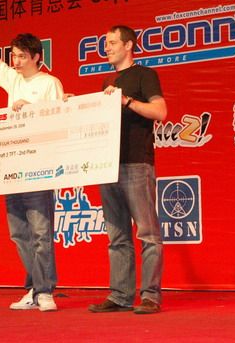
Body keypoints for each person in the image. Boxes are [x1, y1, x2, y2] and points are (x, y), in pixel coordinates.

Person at [0, 3, 63, 312]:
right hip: (12, 165)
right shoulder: (12, 79)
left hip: (39, 166)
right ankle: (35, 288)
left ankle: (45, 291)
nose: (16, 60)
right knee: (19, 233)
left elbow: (58, 121)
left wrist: (31, 109)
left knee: (40, 231)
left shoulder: (50, 83)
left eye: (23, 56)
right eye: (14, 55)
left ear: (37, 57)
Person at [88, 25, 167, 315]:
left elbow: (160, 112)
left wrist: (127, 101)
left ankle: (150, 296)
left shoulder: (145, 75)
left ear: (128, 45)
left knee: (147, 233)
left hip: (136, 163)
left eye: (112, 42)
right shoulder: (107, 81)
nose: (106, 48)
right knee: (117, 235)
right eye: (105, 43)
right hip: (107, 165)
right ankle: (121, 295)